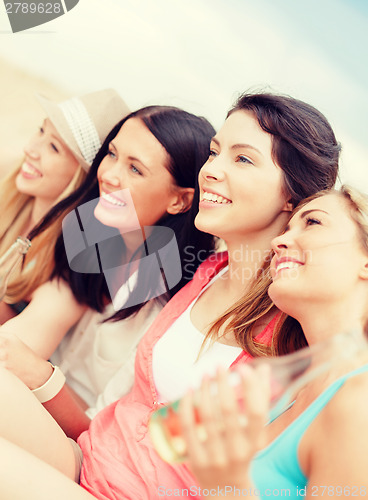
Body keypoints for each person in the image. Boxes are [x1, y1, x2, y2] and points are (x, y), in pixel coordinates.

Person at [0, 91, 340, 498]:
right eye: (215, 153)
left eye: (242, 158)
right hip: (85, 460)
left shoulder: (294, 324)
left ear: (291, 194)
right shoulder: (208, 272)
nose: (211, 170)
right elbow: (110, 410)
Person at [0, 105, 217, 436]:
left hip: (75, 450)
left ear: (181, 201)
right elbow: (26, 331)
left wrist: (39, 374)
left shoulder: (172, 309)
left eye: (135, 169)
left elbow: (101, 436)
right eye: (112, 154)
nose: (110, 174)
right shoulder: (91, 244)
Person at [179, 186, 368, 499]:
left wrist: (230, 486)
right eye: (289, 226)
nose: (278, 242)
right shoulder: (294, 387)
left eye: (313, 223)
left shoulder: (358, 404)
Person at [0, 89, 130, 322]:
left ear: (82, 176)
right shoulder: (10, 189)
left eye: (53, 147)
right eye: (41, 130)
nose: (30, 149)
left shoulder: (73, 263)